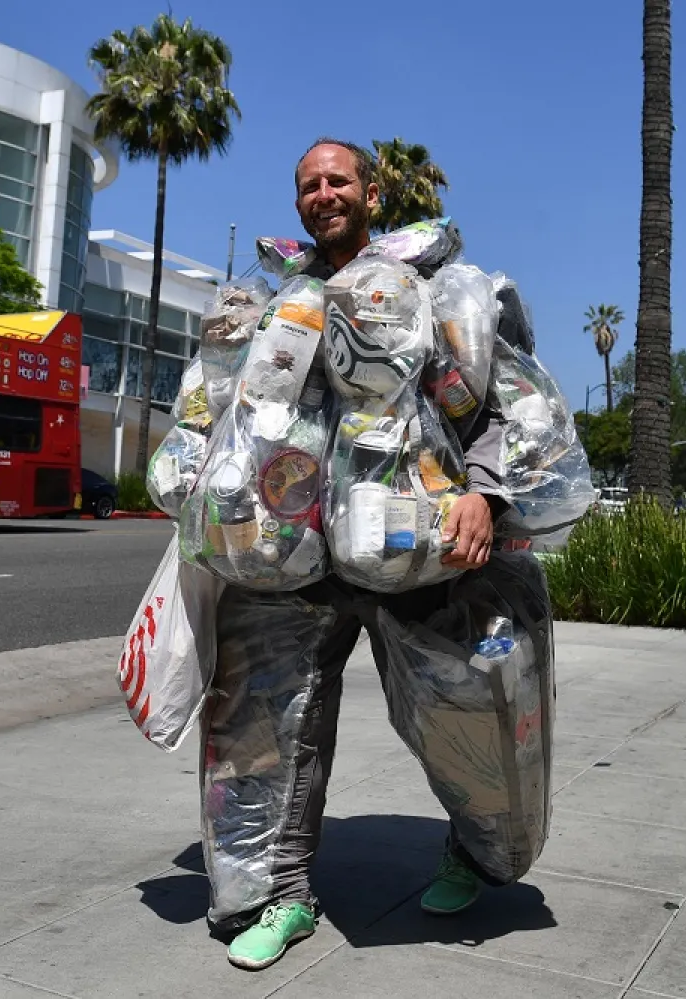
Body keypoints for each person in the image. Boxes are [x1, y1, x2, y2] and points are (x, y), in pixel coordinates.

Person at [208, 138, 511, 972]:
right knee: (285, 722)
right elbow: (234, 411)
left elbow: (486, 402)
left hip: (416, 542)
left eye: (338, 180)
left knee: (452, 710)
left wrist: (483, 493)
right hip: (301, 555)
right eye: (309, 184)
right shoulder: (285, 299)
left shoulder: (424, 288)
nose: (324, 193)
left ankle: (475, 851)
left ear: (371, 193)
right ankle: (286, 893)